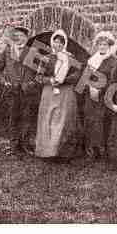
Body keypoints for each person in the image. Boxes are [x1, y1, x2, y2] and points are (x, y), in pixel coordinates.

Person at [34, 29, 81, 159]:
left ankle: (63, 151)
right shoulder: (46, 58)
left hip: (65, 92)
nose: (58, 45)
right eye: (55, 43)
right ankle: (48, 151)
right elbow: (38, 77)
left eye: (61, 43)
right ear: (52, 43)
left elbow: (77, 74)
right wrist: (50, 80)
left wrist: (64, 80)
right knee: (48, 118)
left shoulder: (70, 58)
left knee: (63, 120)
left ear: (64, 44)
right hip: (49, 92)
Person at [0, 26, 40, 156]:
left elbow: (40, 72)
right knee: (13, 117)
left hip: (27, 91)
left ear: (26, 38)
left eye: (20, 36)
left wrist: (33, 83)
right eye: (15, 36)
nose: (18, 38)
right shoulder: (8, 51)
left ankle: (26, 144)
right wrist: (4, 82)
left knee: (26, 117)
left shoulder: (33, 52)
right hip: (12, 90)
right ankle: (14, 145)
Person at [83, 31, 117, 159]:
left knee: (101, 121)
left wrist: (100, 89)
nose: (102, 47)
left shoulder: (113, 61)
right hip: (90, 95)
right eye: (100, 44)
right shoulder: (92, 59)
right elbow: (85, 77)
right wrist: (90, 87)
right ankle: (91, 148)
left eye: (105, 45)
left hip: (104, 96)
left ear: (109, 46)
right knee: (90, 120)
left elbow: (113, 80)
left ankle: (102, 148)